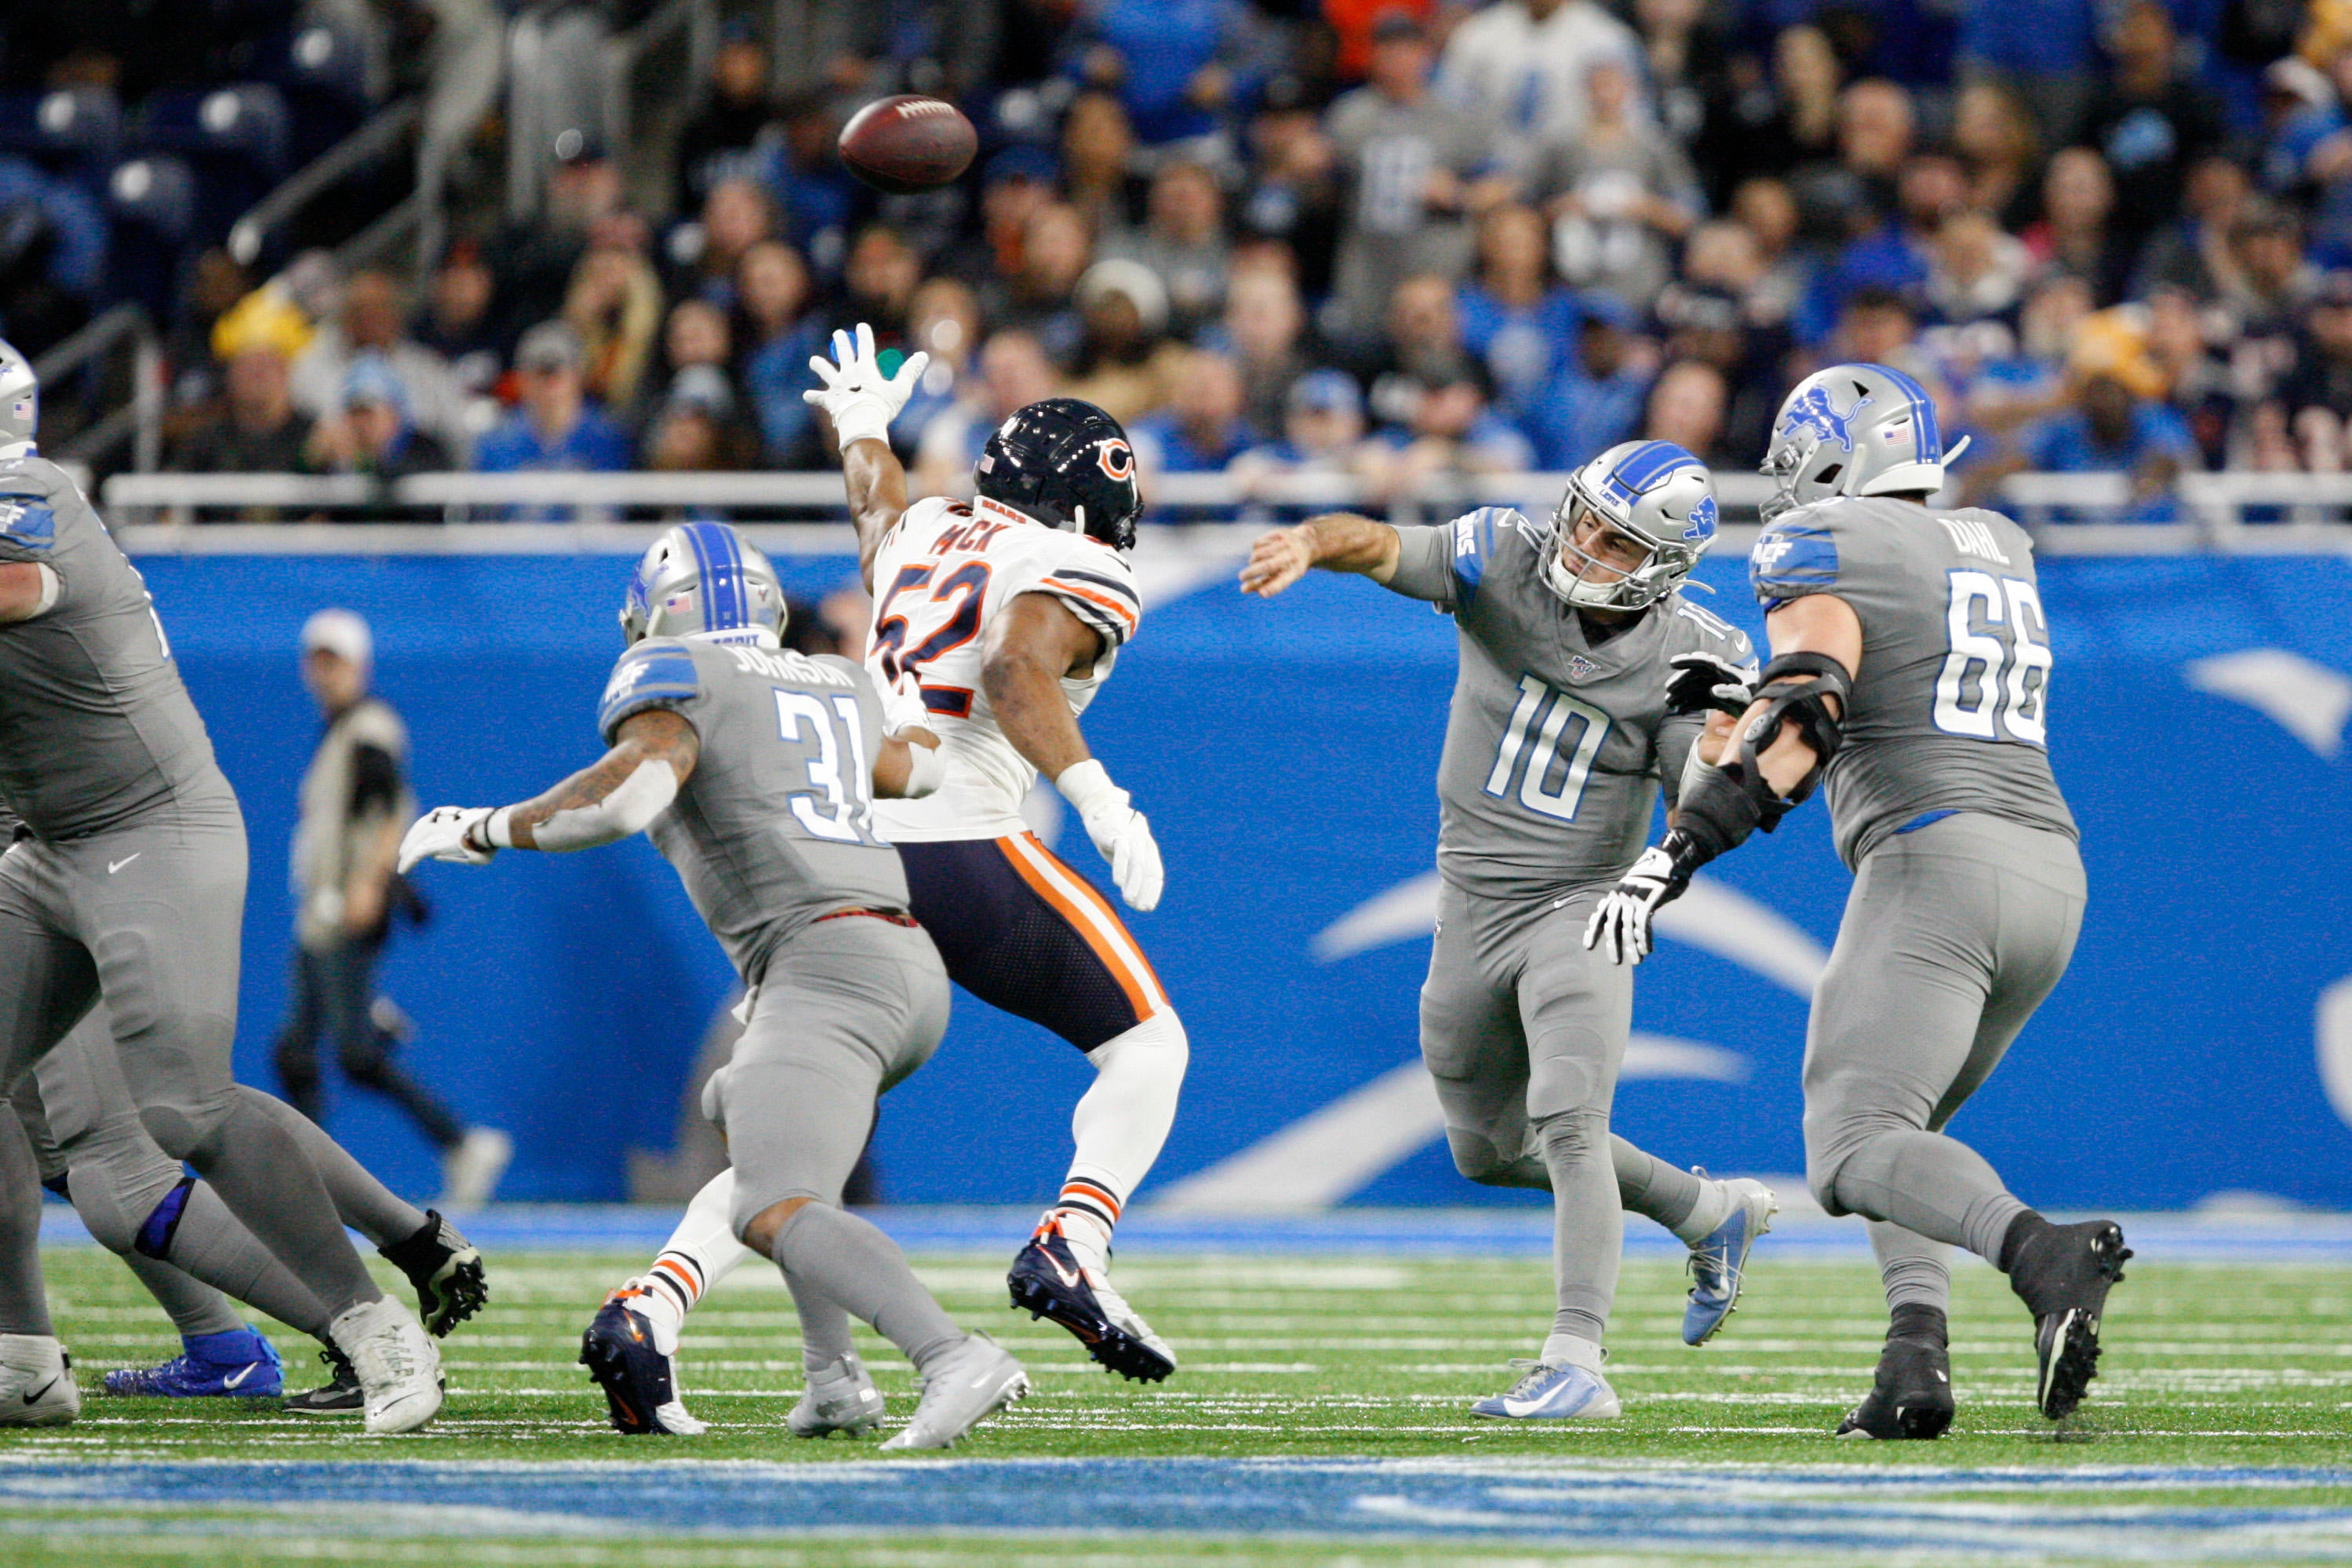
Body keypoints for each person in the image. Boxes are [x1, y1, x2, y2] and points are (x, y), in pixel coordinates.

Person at [590, 329, 1189, 1430]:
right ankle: (1075, 1237)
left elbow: (876, 510)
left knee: (791, 1141)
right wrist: (1100, 795)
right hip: (959, 835)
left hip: (850, 849)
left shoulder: (923, 527)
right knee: (1150, 1043)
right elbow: (1014, 666)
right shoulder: (1080, 566)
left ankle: (654, 1304)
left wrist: (861, 428)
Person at [398, 518, 1029, 1453]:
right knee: (753, 1122)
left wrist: (487, 827)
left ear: (659, 611)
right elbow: (921, 771)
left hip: (819, 960)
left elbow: (626, 797)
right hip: (895, 962)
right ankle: (834, 1379)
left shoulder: (680, 672)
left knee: (768, 1205)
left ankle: (950, 1354)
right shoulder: (835, 679)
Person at [1585, 362, 2130, 1438]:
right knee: (1904, 1134)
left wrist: (1679, 849)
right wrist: (1749, 699)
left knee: (1848, 1147)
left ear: (1836, 460)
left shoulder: (1826, 543)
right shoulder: (1996, 541)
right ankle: (1911, 1361)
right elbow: (1887, 669)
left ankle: (2040, 1253)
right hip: (2047, 873)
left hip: (1937, 861)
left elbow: (1811, 707)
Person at [1237, 441, 1778, 1421]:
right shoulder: (1502, 553)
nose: (1583, 543)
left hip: (1581, 902)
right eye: (1585, 517)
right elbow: (1385, 543)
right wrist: (1313, 540)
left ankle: (1578, 1358)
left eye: (1615, 540)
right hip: (1470, 902)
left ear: (1662, 564)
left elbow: (1695, 813)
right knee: (1485, 1149)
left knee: (1571, 1119)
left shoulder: (1693, 653)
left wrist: (1711, 747)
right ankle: (1712, 1212)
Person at [0, 340, 445, 1435]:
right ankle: (20, 1355)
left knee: (181, 1109)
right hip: (50, 844)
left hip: (151, 827)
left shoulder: (30, 487)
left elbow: (9, 587)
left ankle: (373, 1322)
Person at [13, 1005, 486, 1413]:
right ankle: (221, 1344)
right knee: (47, 1128)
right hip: (110, 910)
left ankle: (373, 1336)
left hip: (76, 909)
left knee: (129, 1171)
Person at [271, 609, 512, 1204]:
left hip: (344, 907)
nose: (324, 673)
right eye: (317, 660)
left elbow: (388, 804)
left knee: (348, 1052)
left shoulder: (369, 726)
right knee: (300, 1050)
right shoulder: (341, 730)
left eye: (336, 661)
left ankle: (458, 1142)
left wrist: (371, 884)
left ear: (359, 665)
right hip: (320, 911)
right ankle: (316, 1176)